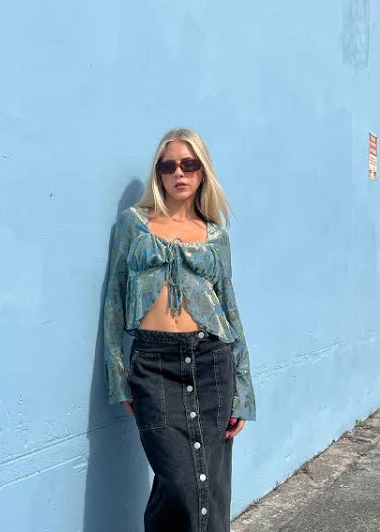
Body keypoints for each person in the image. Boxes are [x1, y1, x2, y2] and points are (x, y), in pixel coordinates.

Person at [103, 127, 256, 532]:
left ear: (203, 171)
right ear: (158, 173)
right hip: (153, 366)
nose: (179, 173)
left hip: (211, 363)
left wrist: (242, 392)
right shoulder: (133, 225)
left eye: (189, 164)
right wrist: (118, 377)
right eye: (168, 166)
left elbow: (230, 308)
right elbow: (114, 302)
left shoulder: (216, 235)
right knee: (180, 484)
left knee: (212, 487)